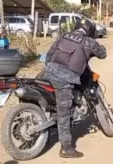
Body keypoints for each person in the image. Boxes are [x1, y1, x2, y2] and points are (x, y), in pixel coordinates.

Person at [38, 18, 107, 158]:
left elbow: (50, 55)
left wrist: (51, 69)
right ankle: (66, 148)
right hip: (64, 79)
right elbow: (102, 54)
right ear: (89, 30)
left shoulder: (64, 35)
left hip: (46, 73)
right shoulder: (88, 41)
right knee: (64, 111)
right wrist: (101, 48)